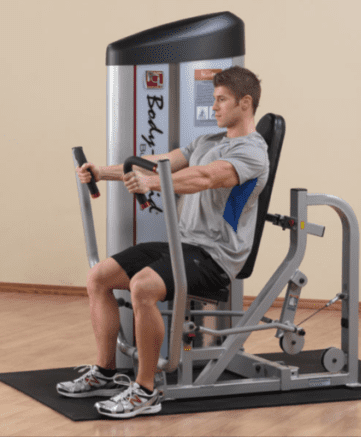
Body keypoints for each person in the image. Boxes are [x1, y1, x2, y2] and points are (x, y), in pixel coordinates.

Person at [57, 66, 269, 419]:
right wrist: (103, 172)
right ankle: (106, 372)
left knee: (142, 286)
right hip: (182, 245)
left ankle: (144, 390)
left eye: (221, 100)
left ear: (245, 103)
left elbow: (205, 177)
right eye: (213, 100)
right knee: (99, 277)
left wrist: (155, 185)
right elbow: (159, 163)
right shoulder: (207, 142)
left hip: (215, 258)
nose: (214, 107)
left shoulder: (252, 152)